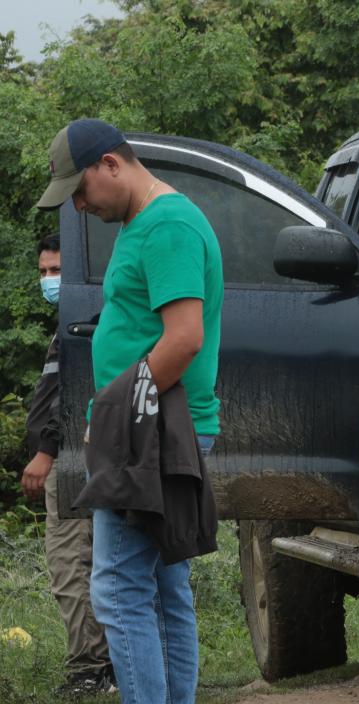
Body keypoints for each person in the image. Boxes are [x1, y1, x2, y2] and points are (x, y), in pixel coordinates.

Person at [37, 118, 224, 704]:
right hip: (156, 428)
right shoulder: (146, 222)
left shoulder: (166, 225)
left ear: (111, 164)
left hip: (151, 432)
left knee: (116, 588)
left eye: (82, 189)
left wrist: (116, 412)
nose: (80, 204)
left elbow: (184, 337)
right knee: (164, 588)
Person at [20, 233, 116, 698]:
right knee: (92, 562)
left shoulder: (85, 321)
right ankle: (106, 663)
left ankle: (89, 667)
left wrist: (46, 451)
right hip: (77, 455)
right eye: (43, 272)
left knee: (70, 565)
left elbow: (77, 396)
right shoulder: (68, 323)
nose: (49, 280)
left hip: (72, 458)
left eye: (56, 271)